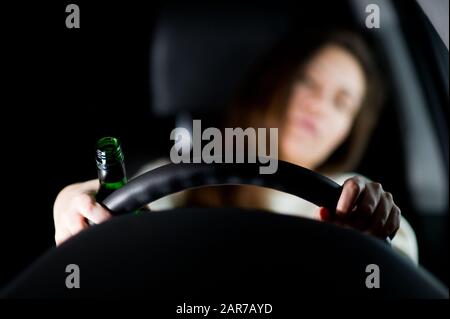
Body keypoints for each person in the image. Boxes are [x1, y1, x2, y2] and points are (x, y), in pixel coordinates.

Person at [53, 30, 418, 263]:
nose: (319, 105)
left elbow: (400, 270)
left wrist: (373, 237)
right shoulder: (179, 174)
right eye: (307, 82)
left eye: (342, 102)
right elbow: (122, 212)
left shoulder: (350, 198)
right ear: (274, 84)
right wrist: (75, 205)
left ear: (350, 129)